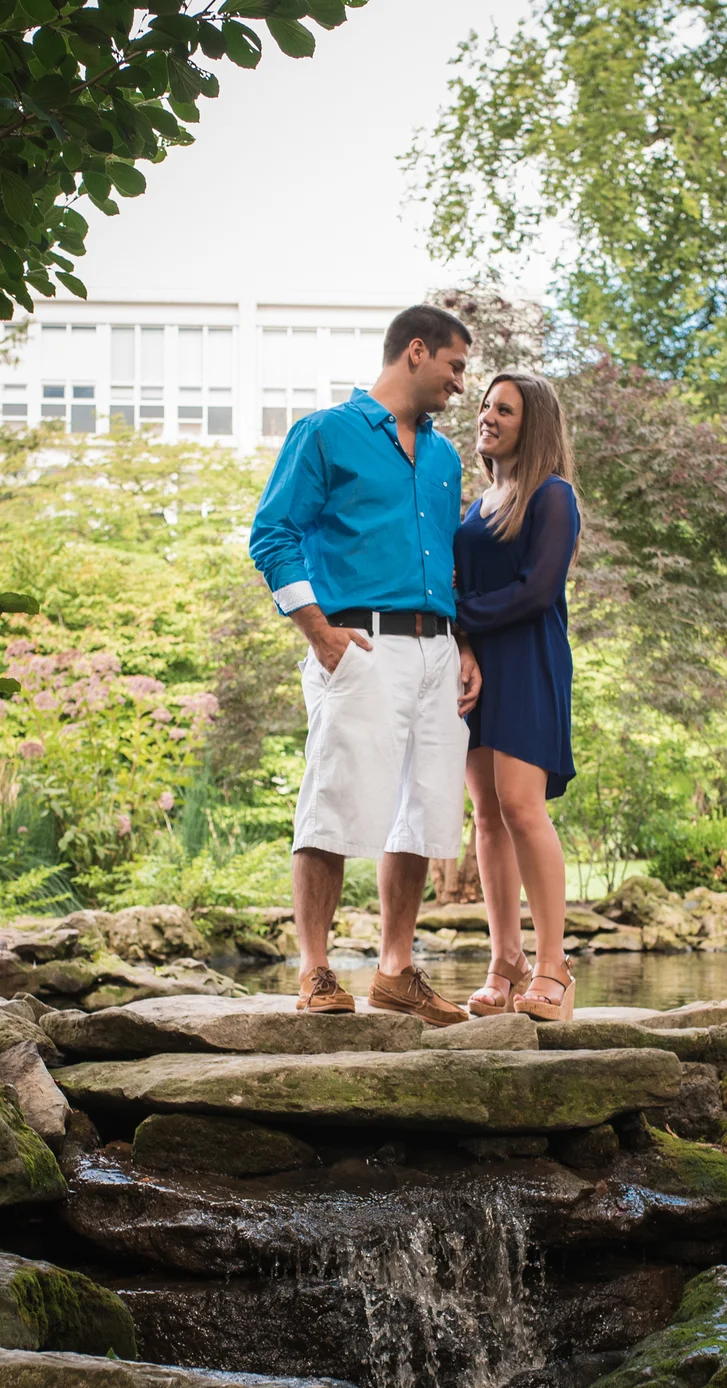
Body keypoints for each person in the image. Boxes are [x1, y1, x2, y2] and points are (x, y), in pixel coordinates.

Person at [249, 304, 484, 1023]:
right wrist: (317, 630)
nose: (459, 384)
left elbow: (450, 560)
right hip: (360, 644)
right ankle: (315, 970)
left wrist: (465, 644)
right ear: (416, 351)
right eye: (455, 366)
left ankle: (395, 970)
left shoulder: (445, 459)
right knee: (333, 802)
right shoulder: (325, 433)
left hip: (438, 653)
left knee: (420, 812)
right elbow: (272, 534)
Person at [455, 371, 581, 1022]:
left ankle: (554, 963)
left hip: (530, 660)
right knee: (485, 814)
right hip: (479, 666)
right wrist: (463, 644)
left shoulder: (552, 496)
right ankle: (506, 960)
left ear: (532, 425)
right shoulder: (475, 505)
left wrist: (460, 613)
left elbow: (537, 592)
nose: (488, 416)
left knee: (521, 807)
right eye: (484, 405)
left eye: (504, 408)